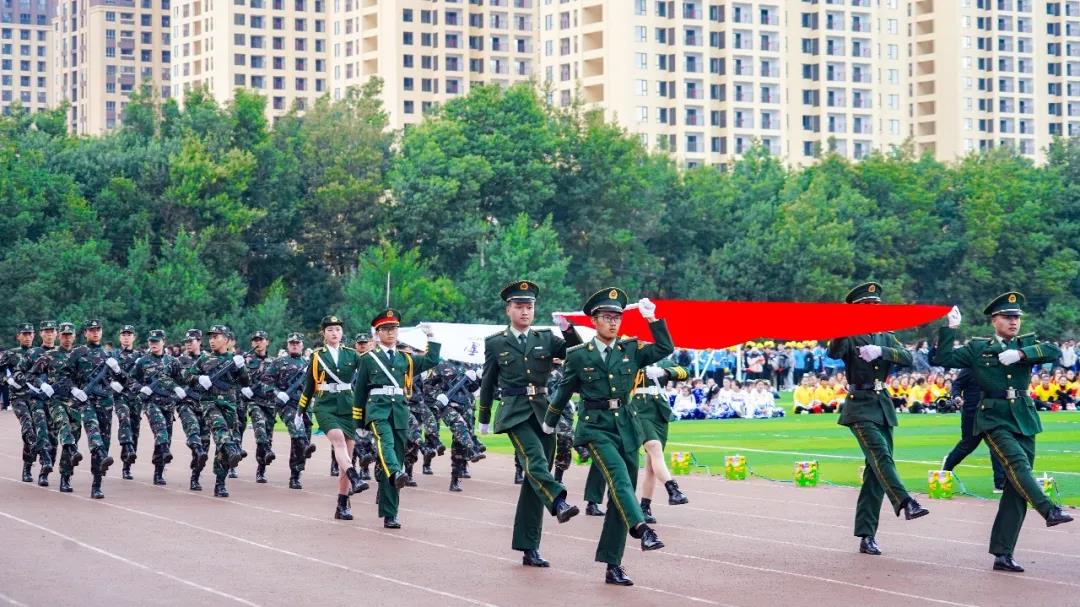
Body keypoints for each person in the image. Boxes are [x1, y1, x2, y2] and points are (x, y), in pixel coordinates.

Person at [933, 293, 1073, 572]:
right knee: (1018, 465)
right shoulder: (978, 348)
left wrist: (1021, 354)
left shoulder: (1026, 344)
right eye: (1008, 317)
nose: (1013, 322)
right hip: (993, 417)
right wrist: (951, 328)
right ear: (994, 320)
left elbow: (1054, 352)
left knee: (1016, 487)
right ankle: (1049, 510)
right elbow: (943, 357)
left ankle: (1003, 553)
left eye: (1017, 317)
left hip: (1023, 416)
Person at [544, 288, 672, 586]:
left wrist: (651, 318)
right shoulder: (578, 355)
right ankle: (643, 529)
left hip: (626, 426)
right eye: (607, 317)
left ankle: (613, 565)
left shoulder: (630, 349)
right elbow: (563, 391)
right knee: (619, 479)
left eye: (617, 317)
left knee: (619, 497)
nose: (613, 322)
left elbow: (665, 348)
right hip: (595, 428)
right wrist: (549, 423)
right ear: (594, 320)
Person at [477, 280, 582, 568]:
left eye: (529, 307)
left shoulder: (546, 338)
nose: (525, 311)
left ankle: (529, 546)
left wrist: (568, 330)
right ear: (508, 309)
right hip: (514, 412)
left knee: (536, 478)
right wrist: (484, 416)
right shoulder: (496, 342)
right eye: (519, 306)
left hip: (544, 411)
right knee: (535, 461)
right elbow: (488, 380)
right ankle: (559, 501)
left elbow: (578, 353)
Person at [828, 282, 929, 557]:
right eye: (867, 305)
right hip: (859, 406)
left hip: (882, 405)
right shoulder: (849, 334)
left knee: (875, 473)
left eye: (876, 305)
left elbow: (908, 358)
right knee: (881, 456)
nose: (874, 309)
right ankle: (906, 502)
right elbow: (834, 352)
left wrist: (882, 351)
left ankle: (866, 535)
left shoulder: (886, 335)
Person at [354, 310, 440, 528]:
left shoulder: (406, 359)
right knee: (387, 445)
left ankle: (390, 512)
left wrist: (431, 337)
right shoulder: (368, 359)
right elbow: (360, 391)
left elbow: (432, 359)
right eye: (386, 329)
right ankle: (395, 472)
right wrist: (359, 423)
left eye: (394, 328)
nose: (391, 332)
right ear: (377, 333)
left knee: (394, 458)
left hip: (399, 412)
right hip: (378, 410)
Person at [298, 316, 370, 519]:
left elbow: (367, 373)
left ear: (342, 332)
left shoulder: (352, 354)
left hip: (347, 404)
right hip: (325, 405)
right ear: (323, 333)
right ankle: (355, 477)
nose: (334, 333)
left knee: (347, 454)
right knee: (338, 441)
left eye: (337, 329)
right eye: (330, 330)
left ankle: (342, 505)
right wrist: (300, 410)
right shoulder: (317, 356)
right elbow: (309, 385)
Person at [183, 325, 249, 498]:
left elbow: (245, 382)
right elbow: (187, 376)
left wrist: (241, 368)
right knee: (220, 429)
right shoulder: (204, 359)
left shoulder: (234, 360)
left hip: (229, 405)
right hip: (209, 403)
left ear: (226, 340)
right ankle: (231, 449)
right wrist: (200, 378)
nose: (212, 340)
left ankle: (220, 483)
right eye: (210, 337)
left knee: (222, 447)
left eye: (216, 337)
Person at [63, 319, 126, 499]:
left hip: (105, 402)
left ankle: (97, 484)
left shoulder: (109, 355)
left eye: (98, 329)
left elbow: (124, 381)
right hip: (84, 401)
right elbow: (64, 376)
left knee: (104, 440)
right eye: (91, 330)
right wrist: (73, 389)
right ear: (85, 333)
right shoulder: (78, 352)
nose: (95, 333)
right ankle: (66, 475)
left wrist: (117, 370)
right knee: (92, 430)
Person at [635, 359, 690, 525]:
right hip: (639, 409)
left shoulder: (662, 360)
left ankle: (644, 508)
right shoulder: (632, 356)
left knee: (651, 465)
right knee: (654, 446)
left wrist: (667, 372)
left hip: (660, 412)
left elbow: (684, 372)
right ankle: (673, 489)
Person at [129, 330, 184, 485]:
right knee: (160, 428)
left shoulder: (172, 361)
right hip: (151, 402)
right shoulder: (143, 361)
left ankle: (158, 472)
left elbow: (182, 380)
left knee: (166, 437)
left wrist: (178, 390)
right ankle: (164, 451)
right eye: (151, 341)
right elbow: (131, 379)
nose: (153, 344)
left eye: (156, 341)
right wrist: (141, 388)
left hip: (168, 403)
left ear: (163, 342)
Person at [261, 332, 314, 489]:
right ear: (288, 345)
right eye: (292, 343)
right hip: (287, 404)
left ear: (302, 345)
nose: (294, 345)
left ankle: (296, 474)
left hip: (304, 404)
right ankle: (304, 446)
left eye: (297, 343)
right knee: (297, 431)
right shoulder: (278, 362)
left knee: (303, 437)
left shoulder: (309, 364)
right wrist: (278, 393)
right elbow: (265, 383)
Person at [940, 368, 1007, 494]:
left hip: (991, 412)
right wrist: (957, 397)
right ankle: (946, 468)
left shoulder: (996, 368)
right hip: (972, 413)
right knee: (967, 445)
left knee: (996, 445)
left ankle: (1000, 484)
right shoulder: (970, 368)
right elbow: (957, 385)